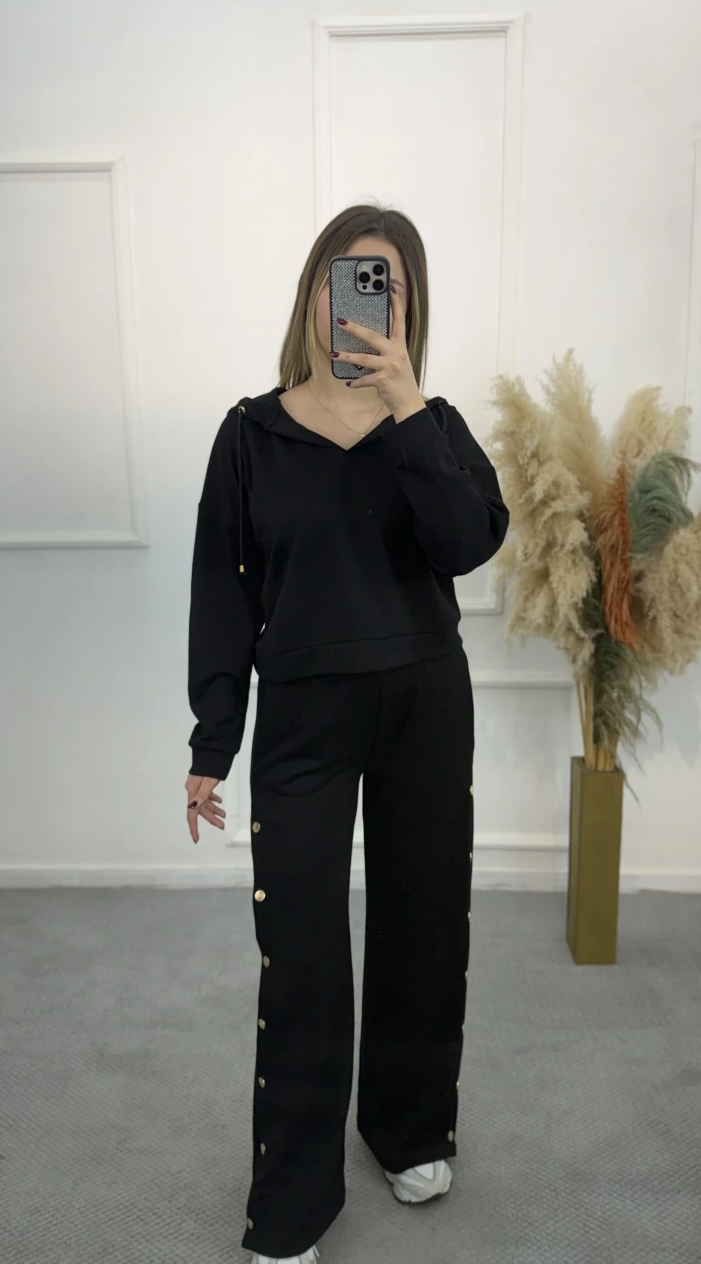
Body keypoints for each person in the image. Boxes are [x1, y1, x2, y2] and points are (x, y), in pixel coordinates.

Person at [184, 203, 510, 1264]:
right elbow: (222, 596)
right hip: (304, 715)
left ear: (409, 307)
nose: (362, 302)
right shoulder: (251, 435)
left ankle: (410, 1130)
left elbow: (467, 544)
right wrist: (211, 743)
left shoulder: (435, 427)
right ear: (314, 296)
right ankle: (292, 1201)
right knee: (303, 953)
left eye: (386, 285)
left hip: (424, 702)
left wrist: (406, 404)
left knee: (424, 925)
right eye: (346, 280)